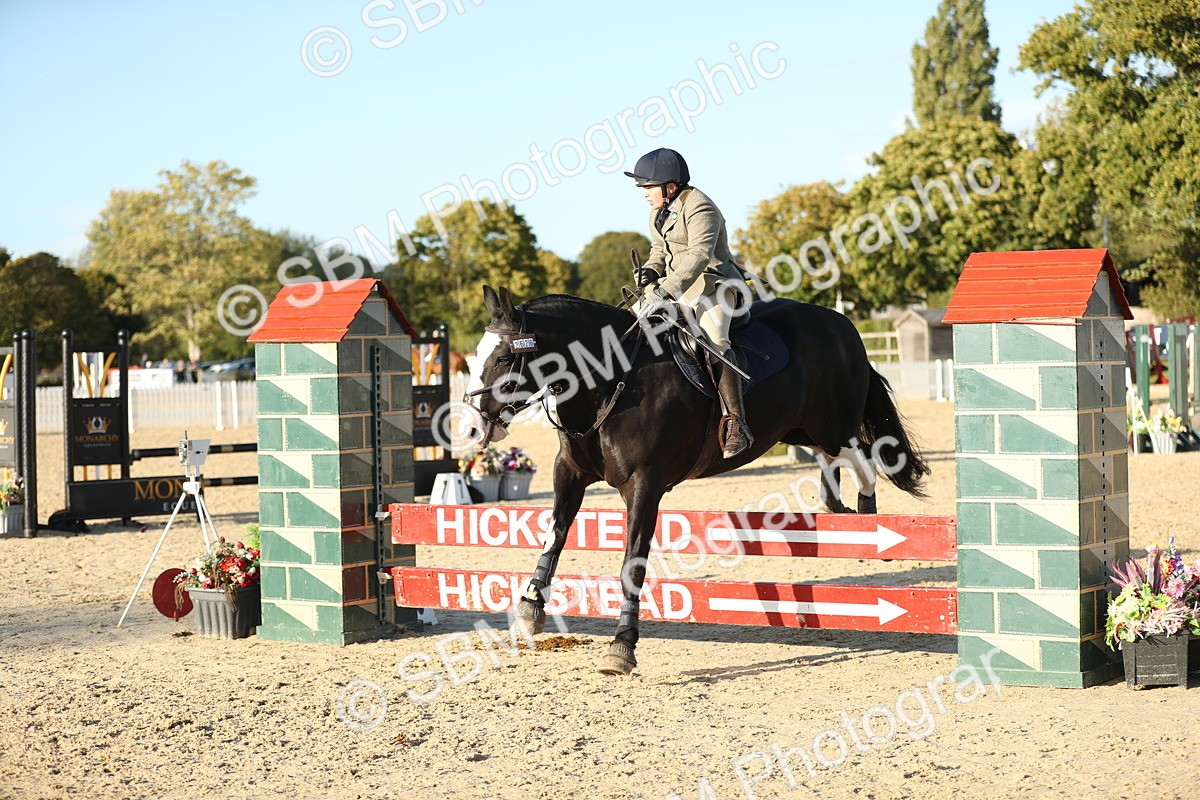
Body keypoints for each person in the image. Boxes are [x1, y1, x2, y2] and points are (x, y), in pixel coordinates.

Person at [624, 147, 753, 458]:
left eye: (648, 187)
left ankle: (737, 423)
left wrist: (665, 290)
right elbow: (659, 248)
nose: (643, 193)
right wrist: (652, 270)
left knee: (714, 341)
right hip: (674, 287)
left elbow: (698, 256)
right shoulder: (658, 211)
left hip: (714, 286)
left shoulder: (701, 208)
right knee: (628, 329)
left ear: (670, 186)